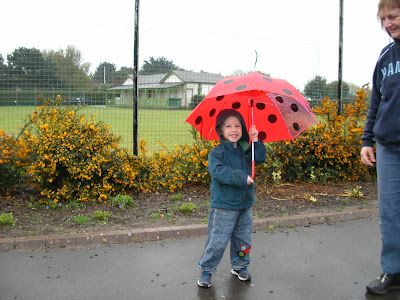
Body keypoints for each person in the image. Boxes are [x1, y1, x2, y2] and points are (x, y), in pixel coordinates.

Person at [197, 109, 266, 288]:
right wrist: (241, 178)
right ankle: (207, 269)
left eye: (237, 126)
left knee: (243, 239)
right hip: (224, 206)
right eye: (228, 126)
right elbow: (218, 172)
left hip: (244, 205)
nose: (233, 130)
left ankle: (240, 265)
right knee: (218, 240)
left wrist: (255, 140)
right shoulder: (217, 153)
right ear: (220, 130)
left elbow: (259, 159)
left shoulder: (245, 149)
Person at [360, 0, 400, 295]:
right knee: (390, 211)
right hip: (388, 148)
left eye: (393, 16)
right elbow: (376, 103)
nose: (388, 23)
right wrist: (366, 141)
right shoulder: (385, 57)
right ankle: (393, 271)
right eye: (383, 18)